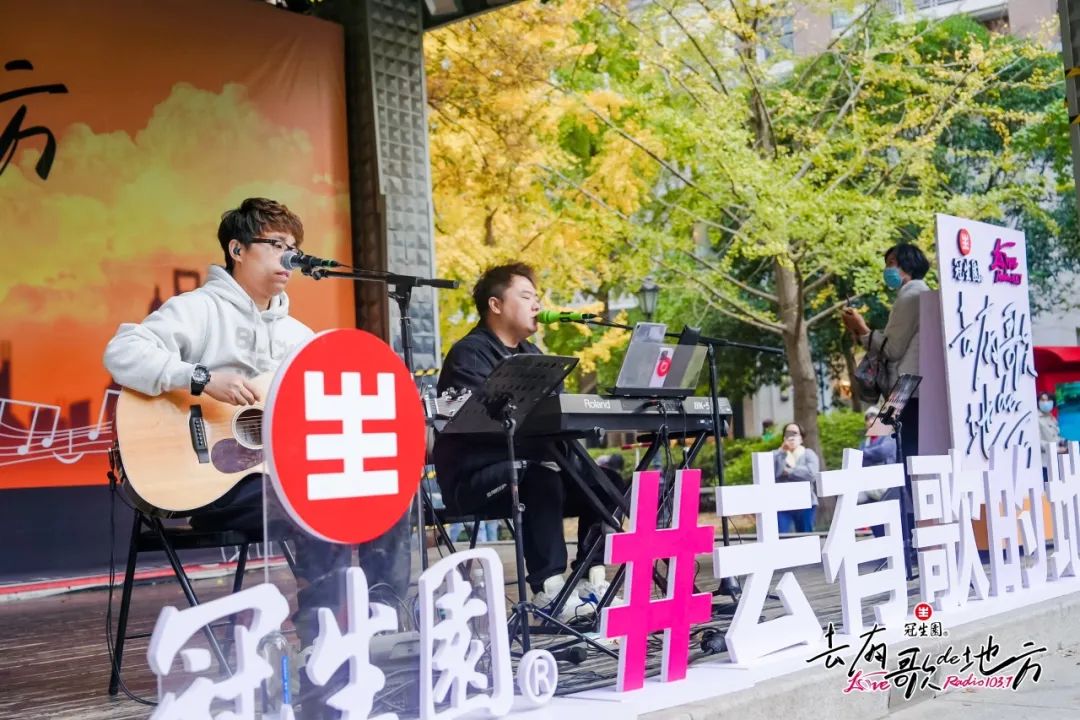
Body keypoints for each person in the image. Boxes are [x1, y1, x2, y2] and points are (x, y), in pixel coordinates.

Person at [103, 198, 347, 719]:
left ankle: (354, 630)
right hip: (203, 485)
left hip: (267, 481)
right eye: (276, 245)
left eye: (294, 248)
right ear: (237, 250)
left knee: (353, 494)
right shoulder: (199, 309)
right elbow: (121, 352)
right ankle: (318, 645)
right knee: (315, 503)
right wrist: (200, 378)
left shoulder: (298, 337)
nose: (289, 257)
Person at [433, 263, 623, 621]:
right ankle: (549, 590)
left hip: (534, 468)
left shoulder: (534, 354)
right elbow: (470, 425)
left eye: (537, 297)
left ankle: (590, 582)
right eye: (525, 296)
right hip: (476, 478)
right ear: (495, 305)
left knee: (605, 482)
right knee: (539, 479)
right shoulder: (469, 354)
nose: (537, 305)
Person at [841, 243, 932, 463]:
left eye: (891, 263)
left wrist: (861, 327)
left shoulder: (911, 294)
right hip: (910, 385)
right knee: (896, 443)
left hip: (905, 386)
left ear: (908, 264)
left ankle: (902, 485)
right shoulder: (920, 292)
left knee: (904, 451)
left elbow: (892, 349)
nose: (887, 270)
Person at [858, 406, 898, 538]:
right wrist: (870, 455)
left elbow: (883, 452)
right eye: (868, 419)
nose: (870, 421)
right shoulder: (864, 442)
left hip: (885, 486)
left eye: (873, 418)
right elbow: (859, 459)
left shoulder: (889, 436)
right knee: (872, 519)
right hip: (868, 486)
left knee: (887, 520)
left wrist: (865, 454)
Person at [774, 422, 820, 533]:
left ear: (801, 438)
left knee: (805, 535)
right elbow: (774, 473)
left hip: (806, 502)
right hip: (782, 503)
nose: (792, 437)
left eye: (795, 433)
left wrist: (789, 472)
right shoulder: (777, 454)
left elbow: (811, 474)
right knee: (781, 535)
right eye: (788, 433)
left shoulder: (808, 454)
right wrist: (782, 452)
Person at [1038, 391, 1066, 473]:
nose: (1045, 403)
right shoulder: (1035, 418)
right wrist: (1055, 449)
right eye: (1043, 400)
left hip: (1057, 460)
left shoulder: (1051, 417)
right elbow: (1037, 441)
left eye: (1048, 400)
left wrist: (1064, 441)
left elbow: (1055, 436)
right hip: (1044, 463)